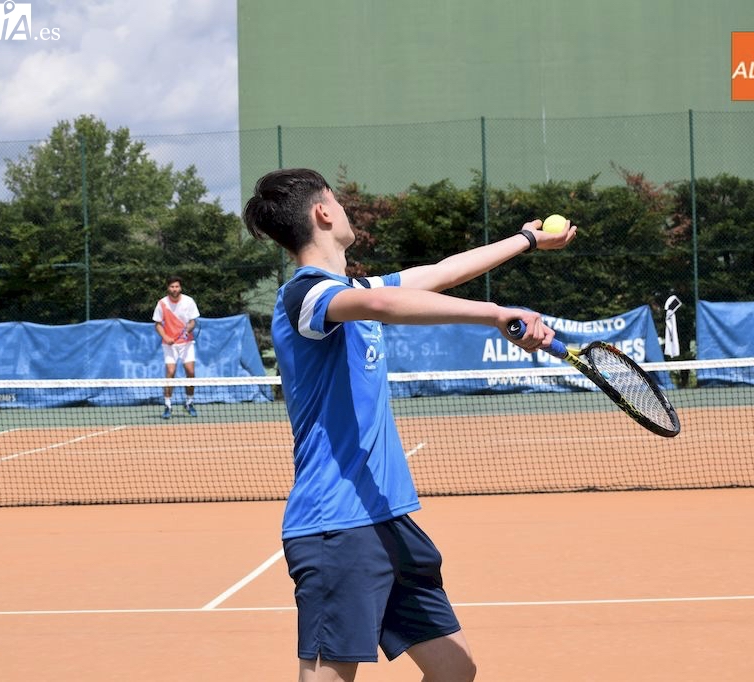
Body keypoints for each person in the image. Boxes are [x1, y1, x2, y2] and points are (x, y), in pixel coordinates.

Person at [242, 168, 575, 681]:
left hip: (388, 519)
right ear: (323, 212)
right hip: (337, 523)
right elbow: (382, 304)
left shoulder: (352, 288)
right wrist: (495, 314)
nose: (345, 207)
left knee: (454, 669)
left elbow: (439, 272)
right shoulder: (306, 296)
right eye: (338, 199)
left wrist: (527, 238)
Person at [152, 276, 200, 419]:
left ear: (181, 288)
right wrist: (166, 337)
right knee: (170, 373)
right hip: (169, 345)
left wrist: (187, 330)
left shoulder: (189, 301)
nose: (175, 289)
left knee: (190, 372)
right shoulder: (162, 303)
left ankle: (189, 403)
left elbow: (192, 322)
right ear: (168, 288)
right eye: (172, 287)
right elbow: (158, 324)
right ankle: (168, 405)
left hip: (187, 343)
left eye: (177, 286)